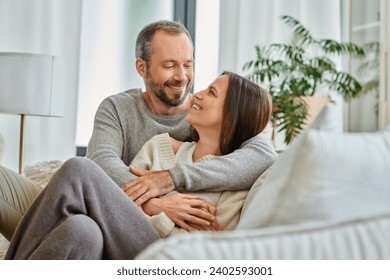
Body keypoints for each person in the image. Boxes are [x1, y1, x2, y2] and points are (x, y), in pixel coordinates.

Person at [5, 71, 272, 259]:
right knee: (81, 231)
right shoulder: (159, 146)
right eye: (169, 65)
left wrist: (157, 210)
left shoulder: (236, 180)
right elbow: (117, 205)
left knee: (78, 169)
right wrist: (156, 204)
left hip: (162, 259)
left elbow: (204, 249)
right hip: (119, 247)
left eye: (211, 92)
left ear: (232, 117)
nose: (197, 93)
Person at [85, 20, 278, 219]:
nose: (182, 76)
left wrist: (170, 178)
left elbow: (264, 156)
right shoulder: (117, 109)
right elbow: (100, 162)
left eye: (188, 65)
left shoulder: (209, 117)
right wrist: (155, 203)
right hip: (122, 216)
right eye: (169, 65)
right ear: (142, 68)